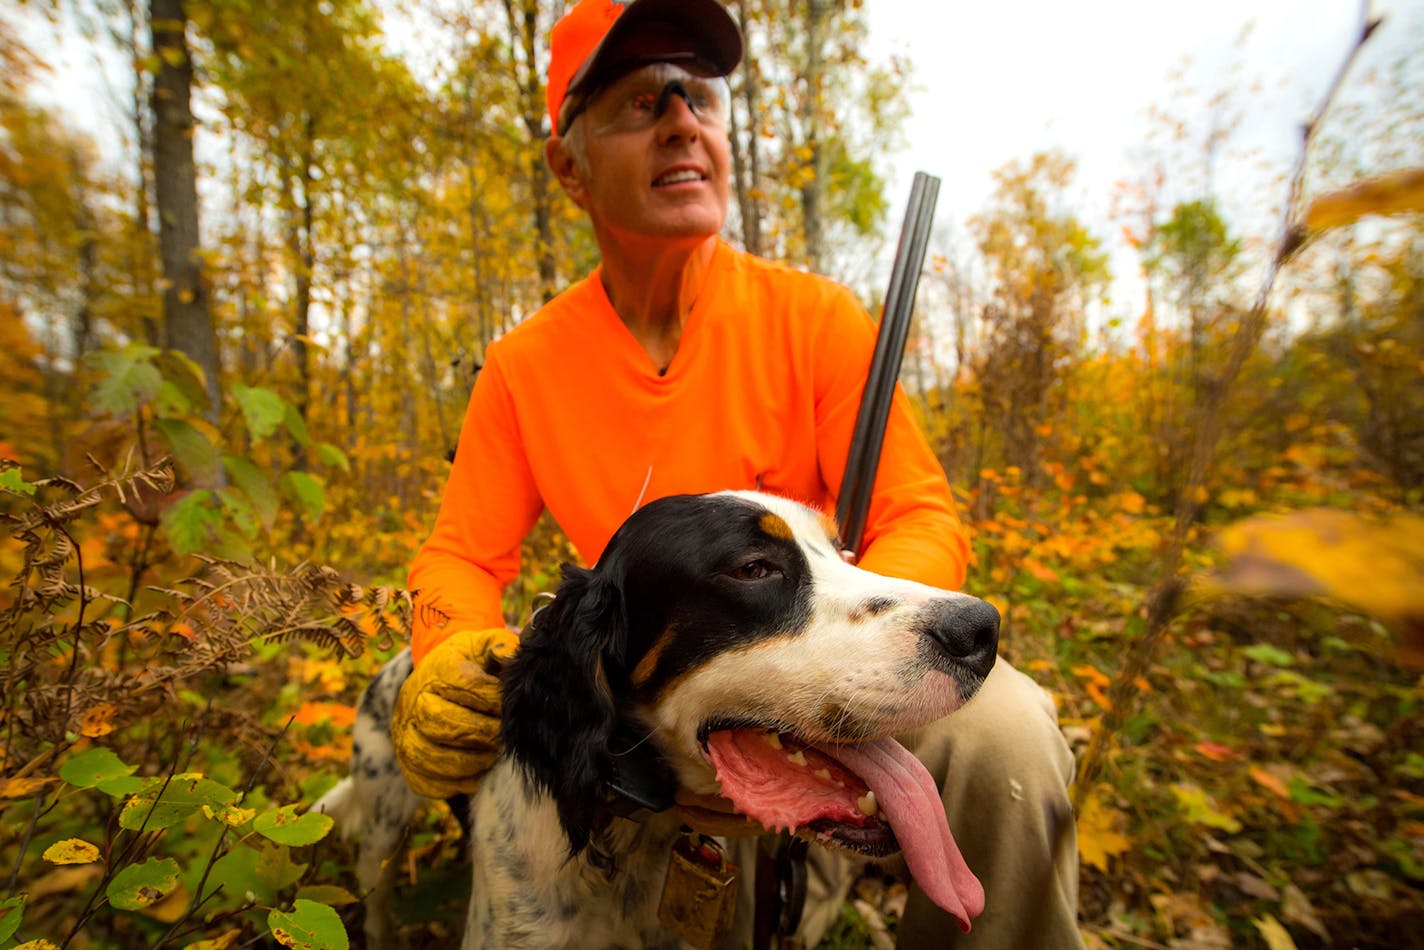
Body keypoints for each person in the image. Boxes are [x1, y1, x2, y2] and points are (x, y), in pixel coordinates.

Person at [390, 0, 1084, 946]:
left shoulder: (818, 321)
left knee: (1008, 736)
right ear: (569, 165)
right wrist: (445, 655)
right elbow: (462, 556)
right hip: (642, 707)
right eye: (640, 101)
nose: (683, 120)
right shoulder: (524, 366)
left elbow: (917, 513)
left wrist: (865, 661)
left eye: (701, 96)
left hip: (830, 672)